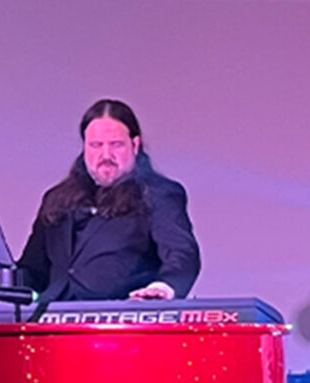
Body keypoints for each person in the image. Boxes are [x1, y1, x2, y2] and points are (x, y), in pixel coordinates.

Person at [17, 99, 201, 305]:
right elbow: (33, 269)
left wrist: (163, 288)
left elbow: (181, 254)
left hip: (123, 317)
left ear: (135, 145)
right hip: (53, 315)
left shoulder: (158, 194)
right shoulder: (56, 199)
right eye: (96, 145)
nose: (106, 155)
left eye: (116, 145)